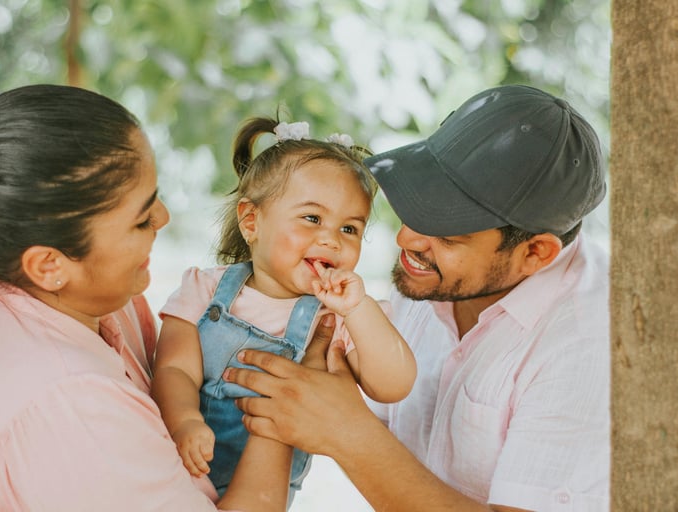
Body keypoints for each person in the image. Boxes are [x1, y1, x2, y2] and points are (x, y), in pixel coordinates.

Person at [224, 84, 610, 511]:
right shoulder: (436, 275)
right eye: (416, 208)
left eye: (445, 233)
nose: (406, 238)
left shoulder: (588, 346)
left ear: (535, 253)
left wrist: (349, 435)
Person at [0, 84, 298, 511]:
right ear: (49, 265)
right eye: (142, 219)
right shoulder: (72, 402)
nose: (163, 217)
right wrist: (283, 406)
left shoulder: (70, 292)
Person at [150, 117, 417, 501]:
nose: (331, 239)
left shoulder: (336, 317)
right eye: (312, 218)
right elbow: (174, 367)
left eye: (350, 229)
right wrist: (184, 420)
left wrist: (359, 310)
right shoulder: (205, 289)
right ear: (251, 221)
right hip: (181, 468)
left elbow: (393, 386)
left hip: (266, 491)